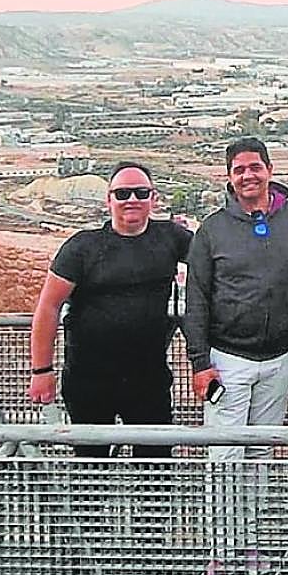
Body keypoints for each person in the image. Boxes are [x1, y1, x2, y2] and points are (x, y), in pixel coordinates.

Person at [183, 136, 288, 575]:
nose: (248, 175)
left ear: (269, 169)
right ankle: (220, 554)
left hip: (280, 357)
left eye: (255, 167)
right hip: (227, 359)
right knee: (224, 460)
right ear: (229, 177)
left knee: (259, 457)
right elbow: (196, 299)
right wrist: (200, 363)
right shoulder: (212, 230)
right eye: (239, 169)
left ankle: (250, 546)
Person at [28, 161, 192, 458]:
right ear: (108, 200)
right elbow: (48, 307)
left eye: (141, 192)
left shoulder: (172, 238)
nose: (132, 199)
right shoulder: (81, 248)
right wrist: (41, 371)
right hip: (88, 380)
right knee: (91, 469)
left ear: (153, 198)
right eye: (122, 193)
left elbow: (219, 263)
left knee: (155, 470)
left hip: (148, 380)